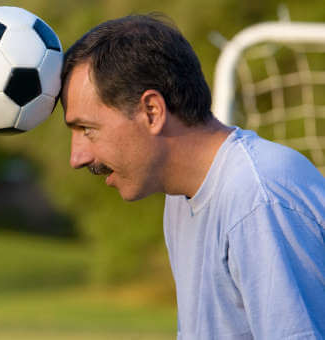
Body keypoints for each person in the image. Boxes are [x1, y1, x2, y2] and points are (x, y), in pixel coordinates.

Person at [61, 14, 325, 339]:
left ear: (152, 111)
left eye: (87, 129)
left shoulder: (258, 197)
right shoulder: (181, 193)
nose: (77, 157)